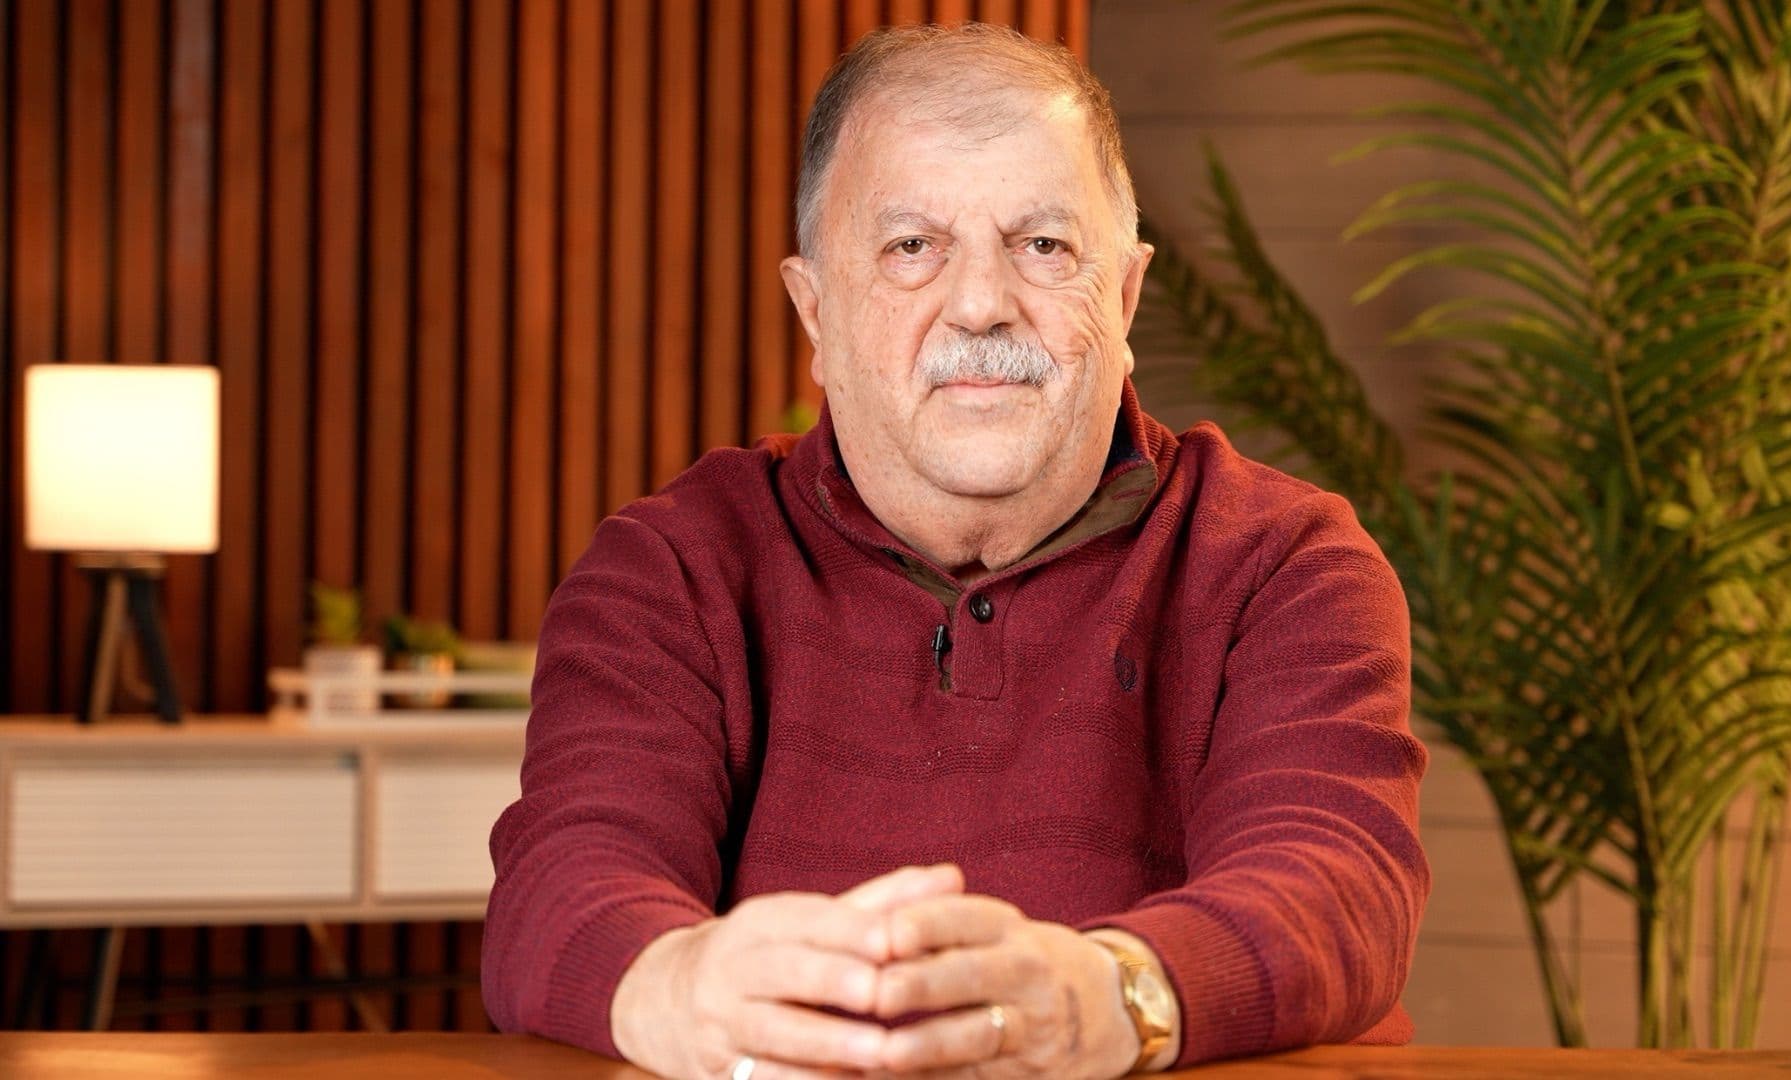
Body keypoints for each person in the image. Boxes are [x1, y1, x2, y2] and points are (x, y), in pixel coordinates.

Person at [483, 22, 1428, 1080]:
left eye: (1042, 245)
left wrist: (1108, 998)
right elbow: (563, 881)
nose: (981, 305)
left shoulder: (1287, 561)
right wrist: (681, 987)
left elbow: (1339, 885)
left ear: (1121, 298)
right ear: (816, 310)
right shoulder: (671, 566)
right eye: (910, 247)